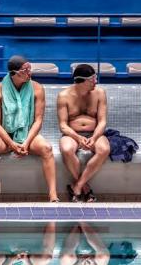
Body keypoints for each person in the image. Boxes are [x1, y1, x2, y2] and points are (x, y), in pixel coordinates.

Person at [0, 55, 59, 202]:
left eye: (30, 69)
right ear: (15, 73)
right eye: (26, 70)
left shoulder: (37, 88)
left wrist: (25, 143)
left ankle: (53, 194)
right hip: (5, 134)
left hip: (28, 133)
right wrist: (12, 144)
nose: (30, 73)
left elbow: (38, 121)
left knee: (47, 149)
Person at [58, 64, 110, 202]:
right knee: (67, 149)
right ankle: (86, 188)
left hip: (95, 133)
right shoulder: (64, 96)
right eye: (93, 79)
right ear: (83, 81)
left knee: (104, 149)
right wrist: (77, 137)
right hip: (72, 134)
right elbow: (63, 126)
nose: (96, 82)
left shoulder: (100, 93)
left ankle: (78, 186)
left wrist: (94, 137)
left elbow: (102, 122)